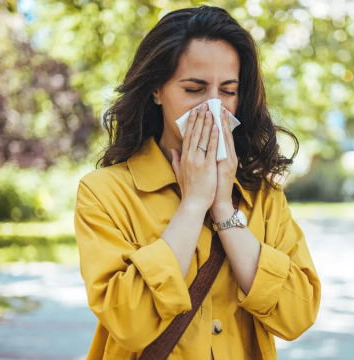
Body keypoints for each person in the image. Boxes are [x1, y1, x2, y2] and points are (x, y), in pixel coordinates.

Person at [74, 5, 320, 360]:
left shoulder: (263, 196)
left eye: (228, 91)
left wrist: (223, 208)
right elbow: (128, 322)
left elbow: (298, 315)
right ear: (156, 90)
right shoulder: (104, 193)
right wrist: (192, 206)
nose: (213, 108)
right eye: (194, 89)